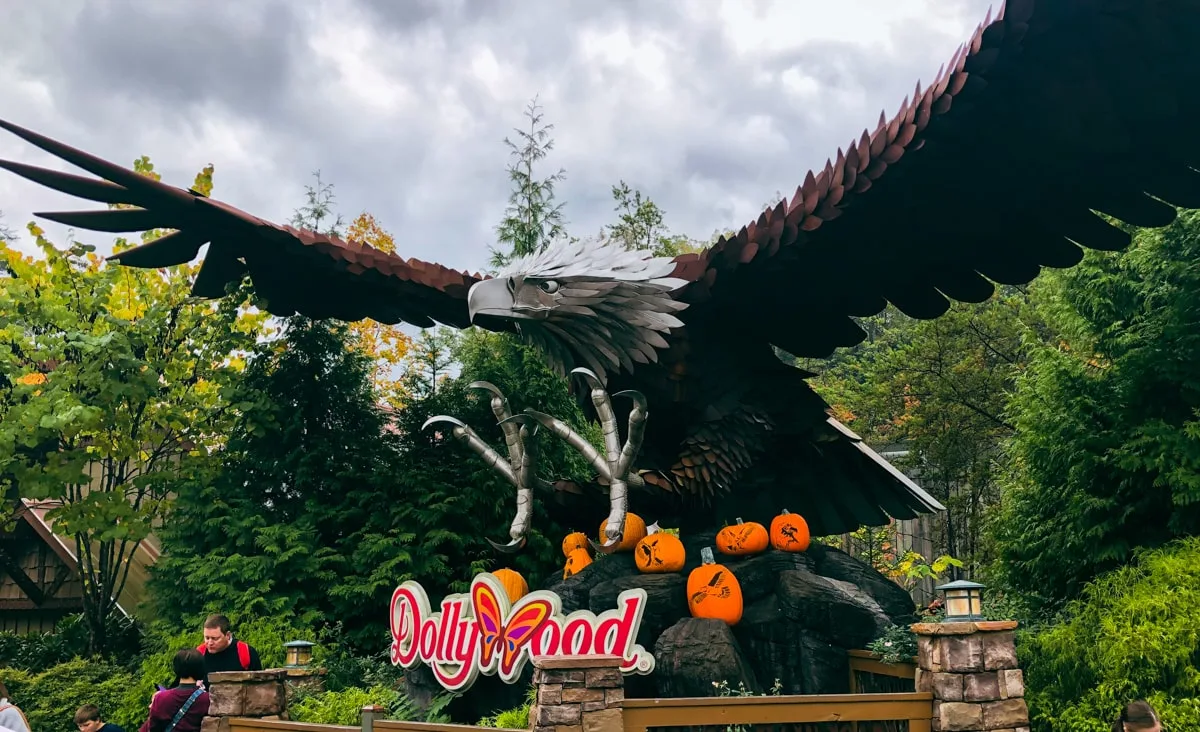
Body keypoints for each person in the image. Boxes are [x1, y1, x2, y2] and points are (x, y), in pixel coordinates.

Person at [141, 649, 210, 732]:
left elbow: (153, 728)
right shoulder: (207, 699)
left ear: (176, 668)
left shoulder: (160, 698)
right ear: (201, 669)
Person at [197, 614, 262, 677]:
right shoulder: (198, 654)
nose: (210, 643)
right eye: (207, 638)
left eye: (215, 638)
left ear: (228, 635)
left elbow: (260, 683)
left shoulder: (246, 652)